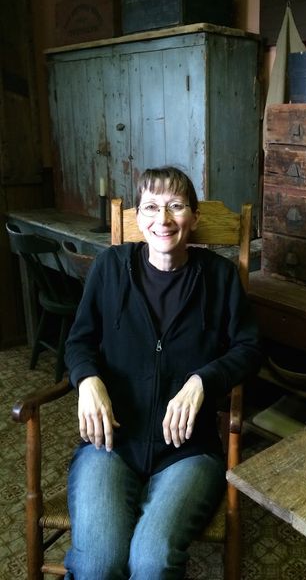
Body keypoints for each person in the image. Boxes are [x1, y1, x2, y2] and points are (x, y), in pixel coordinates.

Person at [64, 166, 263, 579]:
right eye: (151, 207)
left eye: (176, 206)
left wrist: (203, 379)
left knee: (152, 562)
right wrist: (87, 379)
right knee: (98, 563)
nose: (163, 219)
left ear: (193, 217)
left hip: (188, 452)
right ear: (138, 218)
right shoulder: (109, 268)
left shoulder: (220, 277)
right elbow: (78, 341)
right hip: (112, 442)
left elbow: (250, 347)